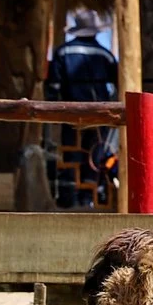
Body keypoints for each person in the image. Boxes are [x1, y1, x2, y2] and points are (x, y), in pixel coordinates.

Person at [47, 11, 119, 207]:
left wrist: (52, 109)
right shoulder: (106, 55)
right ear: (95, 32)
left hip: (71, 111)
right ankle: (88, 197)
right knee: (94, 155)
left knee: (72, 153)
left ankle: (69, 196)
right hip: (100, 112)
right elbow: (118, 83)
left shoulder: (62, 52)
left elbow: (53, 86)